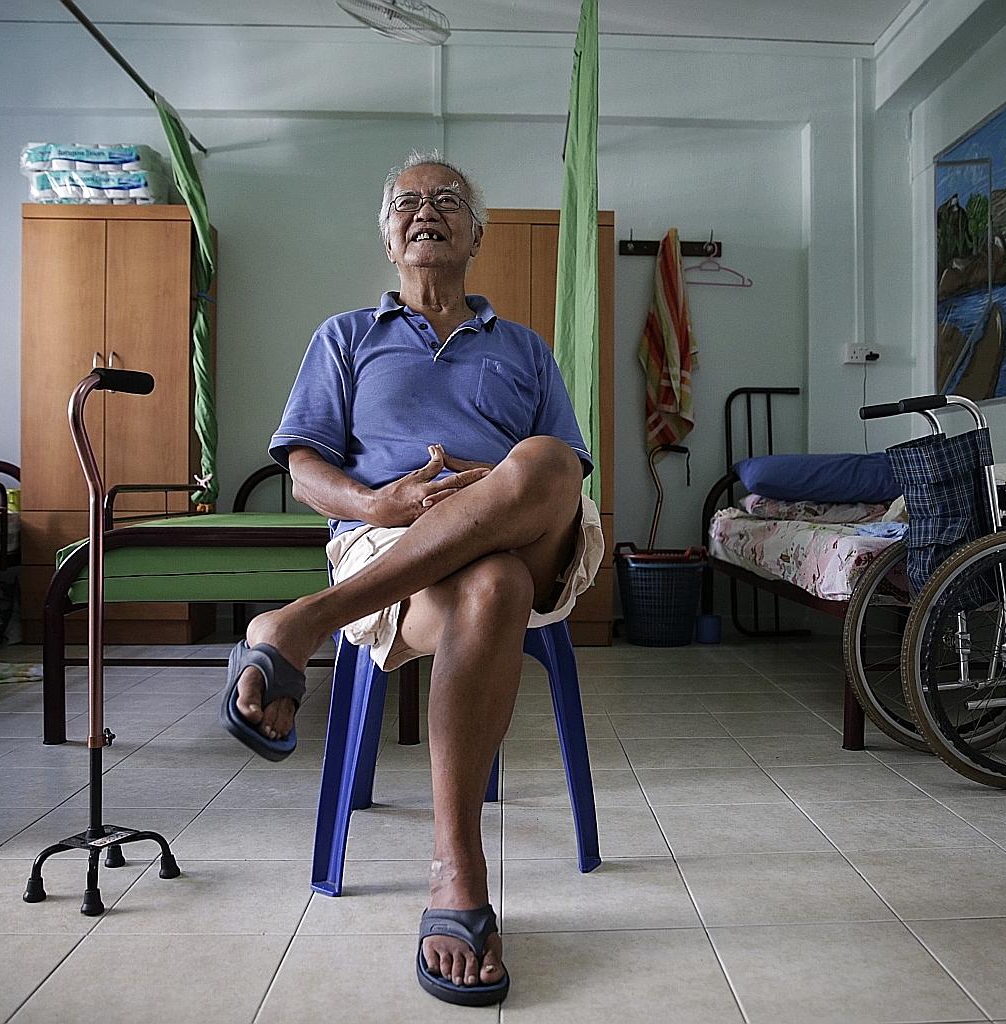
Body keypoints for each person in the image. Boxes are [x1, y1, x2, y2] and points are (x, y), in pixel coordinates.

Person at [220, 151, 603, 1007]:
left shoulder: (525, 350)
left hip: (525, 527)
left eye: (448, 201)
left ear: (477, 232)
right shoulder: (345, 337)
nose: (425, 211)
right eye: (406, 202)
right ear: (388, 234)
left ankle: (301, 621)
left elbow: (562, 477)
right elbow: (304, 471)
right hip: (388, 543)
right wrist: (378, 499)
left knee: (541, 460)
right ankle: (455, 867)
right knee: (491, 584)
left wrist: (487, 482)